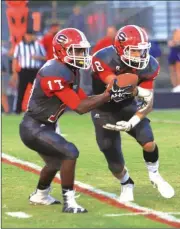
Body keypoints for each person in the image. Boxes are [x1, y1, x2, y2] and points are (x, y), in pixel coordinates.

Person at [19, 28, 116, 213]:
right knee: (70, 152)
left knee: (54, 163)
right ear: (62, 50)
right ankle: (69, 203)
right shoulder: (55, 71)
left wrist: (108, 95)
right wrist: (108, 94)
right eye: (77, 50)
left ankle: (40, 195)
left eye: (82, 50)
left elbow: (84, 100)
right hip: (34, 127)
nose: (82, 54)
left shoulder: (69, 69)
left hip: (44, 126)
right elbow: (79, 107)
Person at [91, 25, 175, 202]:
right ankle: (126, 183)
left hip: (128, 106)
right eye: (135, 51)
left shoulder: (150, 65)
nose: (141, 56)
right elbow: (115, 86)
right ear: (121, 49)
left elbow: (148, 103)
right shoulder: (103, 58)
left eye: (143, 51)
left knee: (149, 142)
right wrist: (136, 89)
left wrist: (133, 121)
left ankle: (154, 174)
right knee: (114, 162)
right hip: (103, 109)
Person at [12, 28, 47, 114]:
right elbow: (15, 59)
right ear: (25, 36)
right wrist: (14, 72)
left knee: (38, 90)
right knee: (21, 90)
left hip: (34, 70)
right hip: (24, 70)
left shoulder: (38, 45)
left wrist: (38, 57)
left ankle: (40, 109)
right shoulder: (19, 46)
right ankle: (17, 110)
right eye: (28, 35)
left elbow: (45, 57)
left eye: (31, 35)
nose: (29, 37)